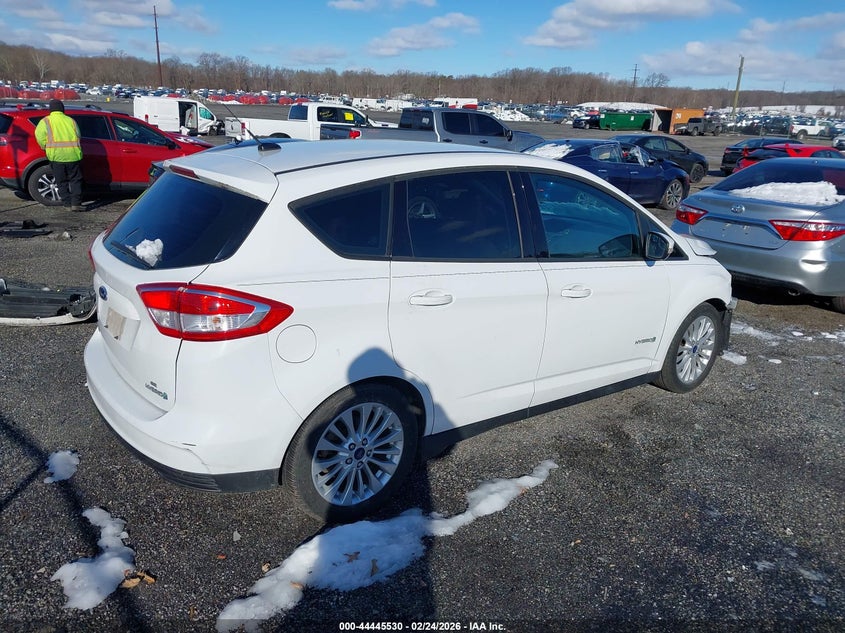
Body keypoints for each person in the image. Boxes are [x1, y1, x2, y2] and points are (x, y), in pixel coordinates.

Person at [34, 99, 84, 211]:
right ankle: (76, 204)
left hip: (56, 156)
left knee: (61, 181)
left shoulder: (45, 121)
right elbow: (78, 135)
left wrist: (45, 147)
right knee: (75, 180)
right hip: (73, 155)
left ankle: (67, 204)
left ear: (51, 109)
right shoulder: (71, 121)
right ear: (62, 108)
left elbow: (39, 136)